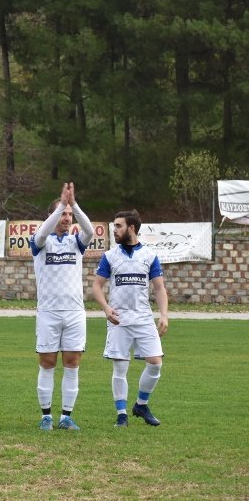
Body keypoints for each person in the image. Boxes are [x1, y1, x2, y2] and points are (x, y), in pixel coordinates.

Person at [92, 209, 169, 427]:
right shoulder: (109, 256)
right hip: (119, 320)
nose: (114, 230)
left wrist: (163, 315)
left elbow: (160, 288)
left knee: (155, 364)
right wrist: (107, 309)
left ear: (131, 228)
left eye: (118, 226)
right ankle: (122, 415)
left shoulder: (149, 256)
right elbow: (97, 286)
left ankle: (141, 405)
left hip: (144, 318)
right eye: (114, 226)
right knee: (120, 368)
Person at [29, 183, 94, 431]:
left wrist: (74, 204)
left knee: (72, 362)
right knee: (47, 362)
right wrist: (59, 207)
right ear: (52, 216)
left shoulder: (76, 242)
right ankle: (46, 415)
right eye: (62, 214)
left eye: (69, 215)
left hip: (75, 313)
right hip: (48, 312)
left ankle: (66, 416)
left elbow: (89, 230)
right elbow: (41, 235)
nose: (67, 218)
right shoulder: (40, 242)